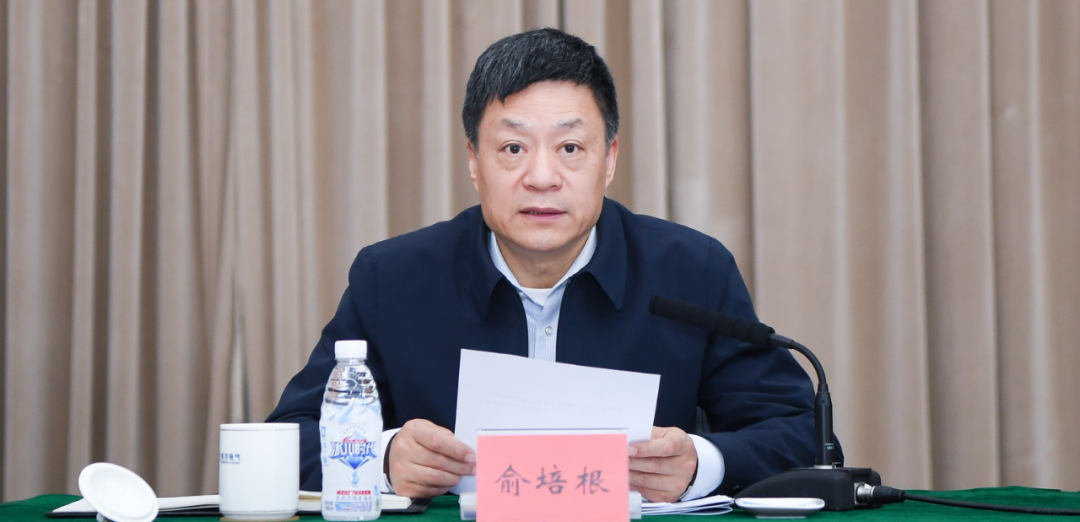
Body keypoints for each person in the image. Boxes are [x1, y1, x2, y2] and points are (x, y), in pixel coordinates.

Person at [267, 28, 826, 502]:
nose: (541, 178)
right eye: (513, 149)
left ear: (609, 160)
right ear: (474, 161)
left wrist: (700, 464)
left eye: (570, 149)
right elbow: (287, 440)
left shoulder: (690, 271)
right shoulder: (393, 279)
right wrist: (383, 458)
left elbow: (805, 435)